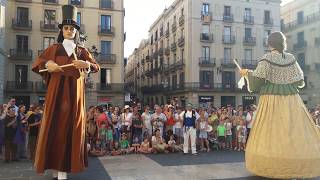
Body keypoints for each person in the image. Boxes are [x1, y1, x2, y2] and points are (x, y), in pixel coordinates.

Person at [31, 5, 100, 179]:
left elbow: (96, 66)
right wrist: (48, 65)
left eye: (72, 28)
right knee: (55, 130)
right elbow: (39, 63)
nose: (69, 31)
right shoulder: (53, 49)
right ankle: (56, 172)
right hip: (57, 96)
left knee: (71, 130)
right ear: (62, 30)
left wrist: (87, 65)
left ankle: (62, 173)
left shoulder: (82, 51)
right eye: (66, 28)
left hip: (75, 97)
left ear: (76, 32)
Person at [239, 31, 320, 178]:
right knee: (293, 129)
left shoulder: (267, 58)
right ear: (283, 42)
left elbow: (257, 81)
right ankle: (297, 162)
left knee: (270, 129)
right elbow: (300, 80)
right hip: (292, 99)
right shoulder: (291, 58)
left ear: (269, 43)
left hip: (271, 99)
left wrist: (246, 73)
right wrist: (285, 81)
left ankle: (271, 163)